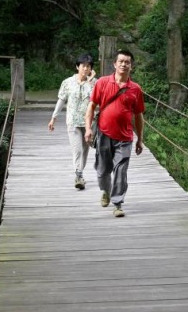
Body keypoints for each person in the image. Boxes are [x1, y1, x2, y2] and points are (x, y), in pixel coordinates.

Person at [84, 49, 145, 218]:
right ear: (115, 64)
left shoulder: (135, 89)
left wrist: (140, 139)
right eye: (121, 61)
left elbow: (139, 115)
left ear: (131, 66)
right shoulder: (102, 83)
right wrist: (88, 128)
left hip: (125, 137)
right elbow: (91, 107)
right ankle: (105, 190)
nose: (124, 64)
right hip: (104, 133)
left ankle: (118, 203)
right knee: (103, 171)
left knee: (121, 171)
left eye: (127, 62)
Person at [48, 53, 97, 190]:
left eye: (88, 66)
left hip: (88, 124)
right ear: (77, 66)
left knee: (85, 151)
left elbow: (98, 100)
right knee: (77, 150)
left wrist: (91, 81)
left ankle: (80, 173)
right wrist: (54, 118)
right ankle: (78, 174)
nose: (86, 69)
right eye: (83, 66)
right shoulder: (67, 82)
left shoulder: (95, 83)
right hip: (73, 122)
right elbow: (61, 100)